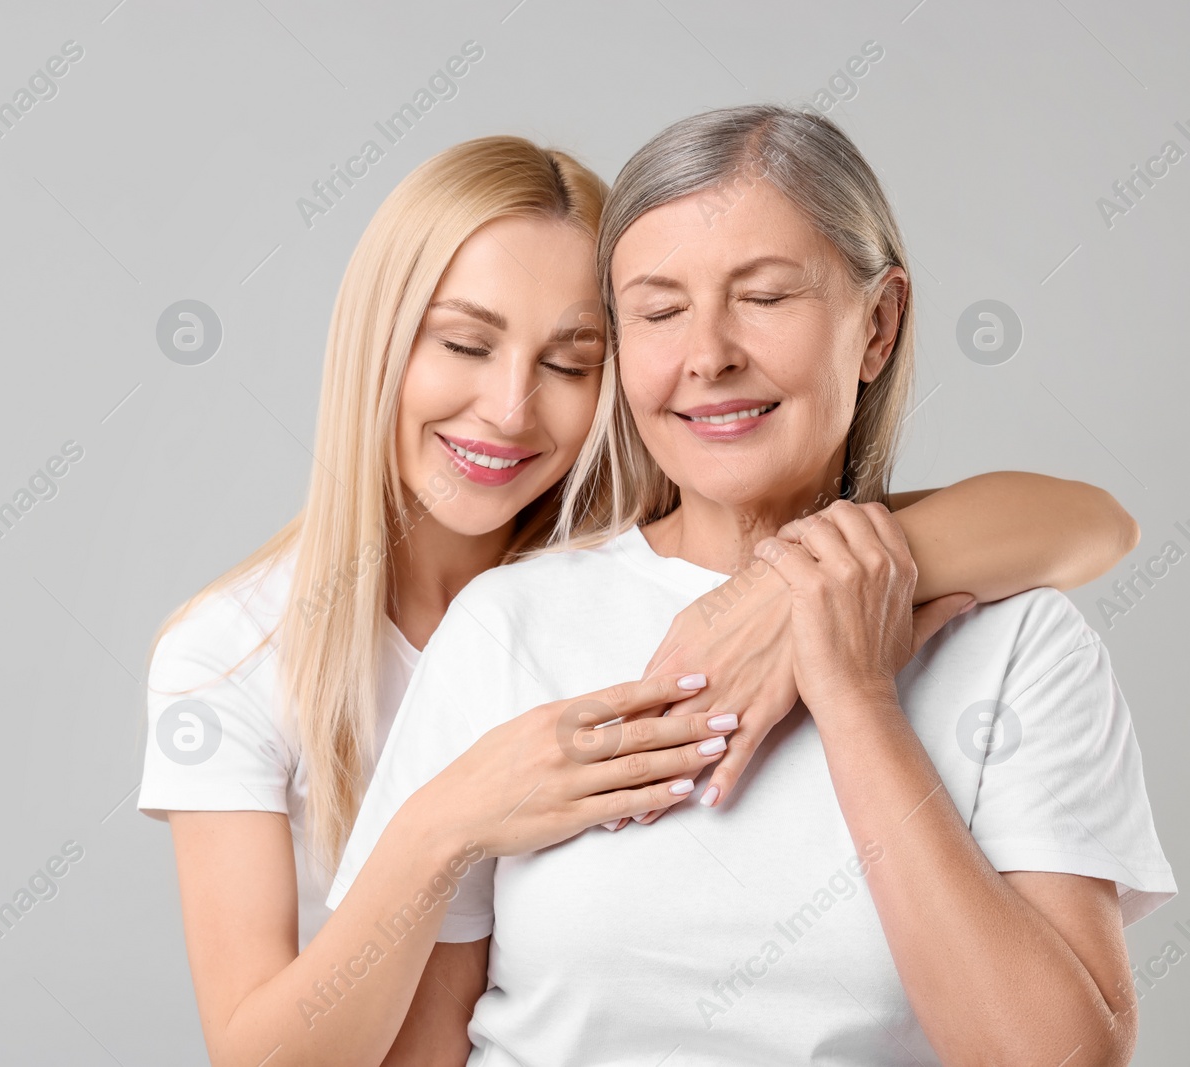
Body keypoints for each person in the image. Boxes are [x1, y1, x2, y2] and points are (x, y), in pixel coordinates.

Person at [143, 133, 1144, 1067]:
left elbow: (1088, 519)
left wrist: (804, 623)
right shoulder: (423, 632)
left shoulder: (1002, 625)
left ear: (876, 323)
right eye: (661, 311)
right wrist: (441, 822)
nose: (508, 408)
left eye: (571, 360)